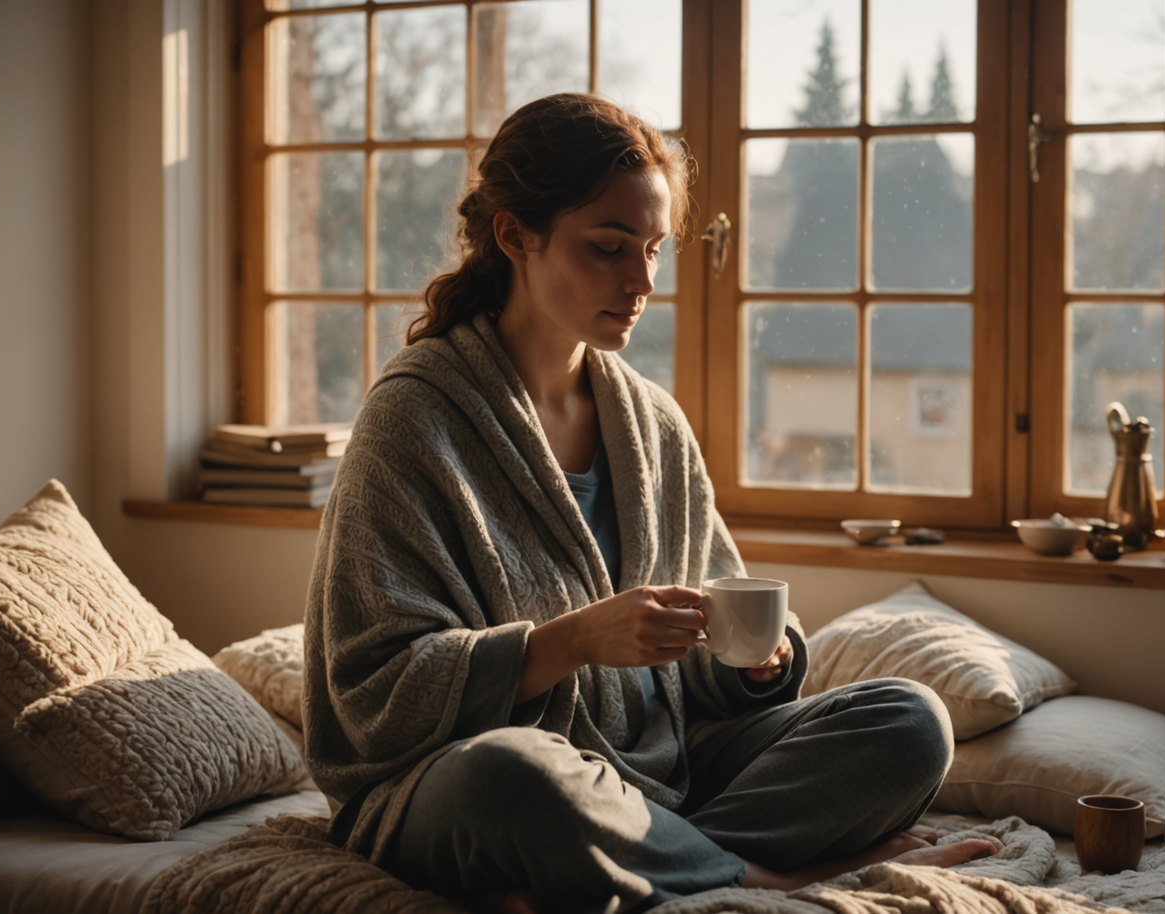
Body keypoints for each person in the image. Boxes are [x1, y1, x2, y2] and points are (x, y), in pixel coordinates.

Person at [302, 93, 999, 914]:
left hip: (664, 776)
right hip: (465, 784)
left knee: (911, 722)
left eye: (656, 250)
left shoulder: (652, 425)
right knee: (522, 777)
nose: (641, 281)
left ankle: (641, 861)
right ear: (515, 236)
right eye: (608, 248)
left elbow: (707, 646)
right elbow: (370, 693)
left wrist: (759, 664)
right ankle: (762, 876)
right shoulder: (413, 419)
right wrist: (573, 641)